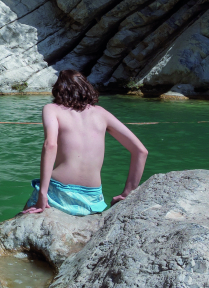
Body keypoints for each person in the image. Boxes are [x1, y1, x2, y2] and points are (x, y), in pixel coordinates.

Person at [22, 69, 148, 216]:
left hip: (57, 193)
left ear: (58, 89)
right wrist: (128, 192)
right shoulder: (102, 113)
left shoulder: (52, 109)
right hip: (92, 199)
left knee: (21, 217)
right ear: (87, 88)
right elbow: (141, 151)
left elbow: (50, 145)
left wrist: (43, 194)